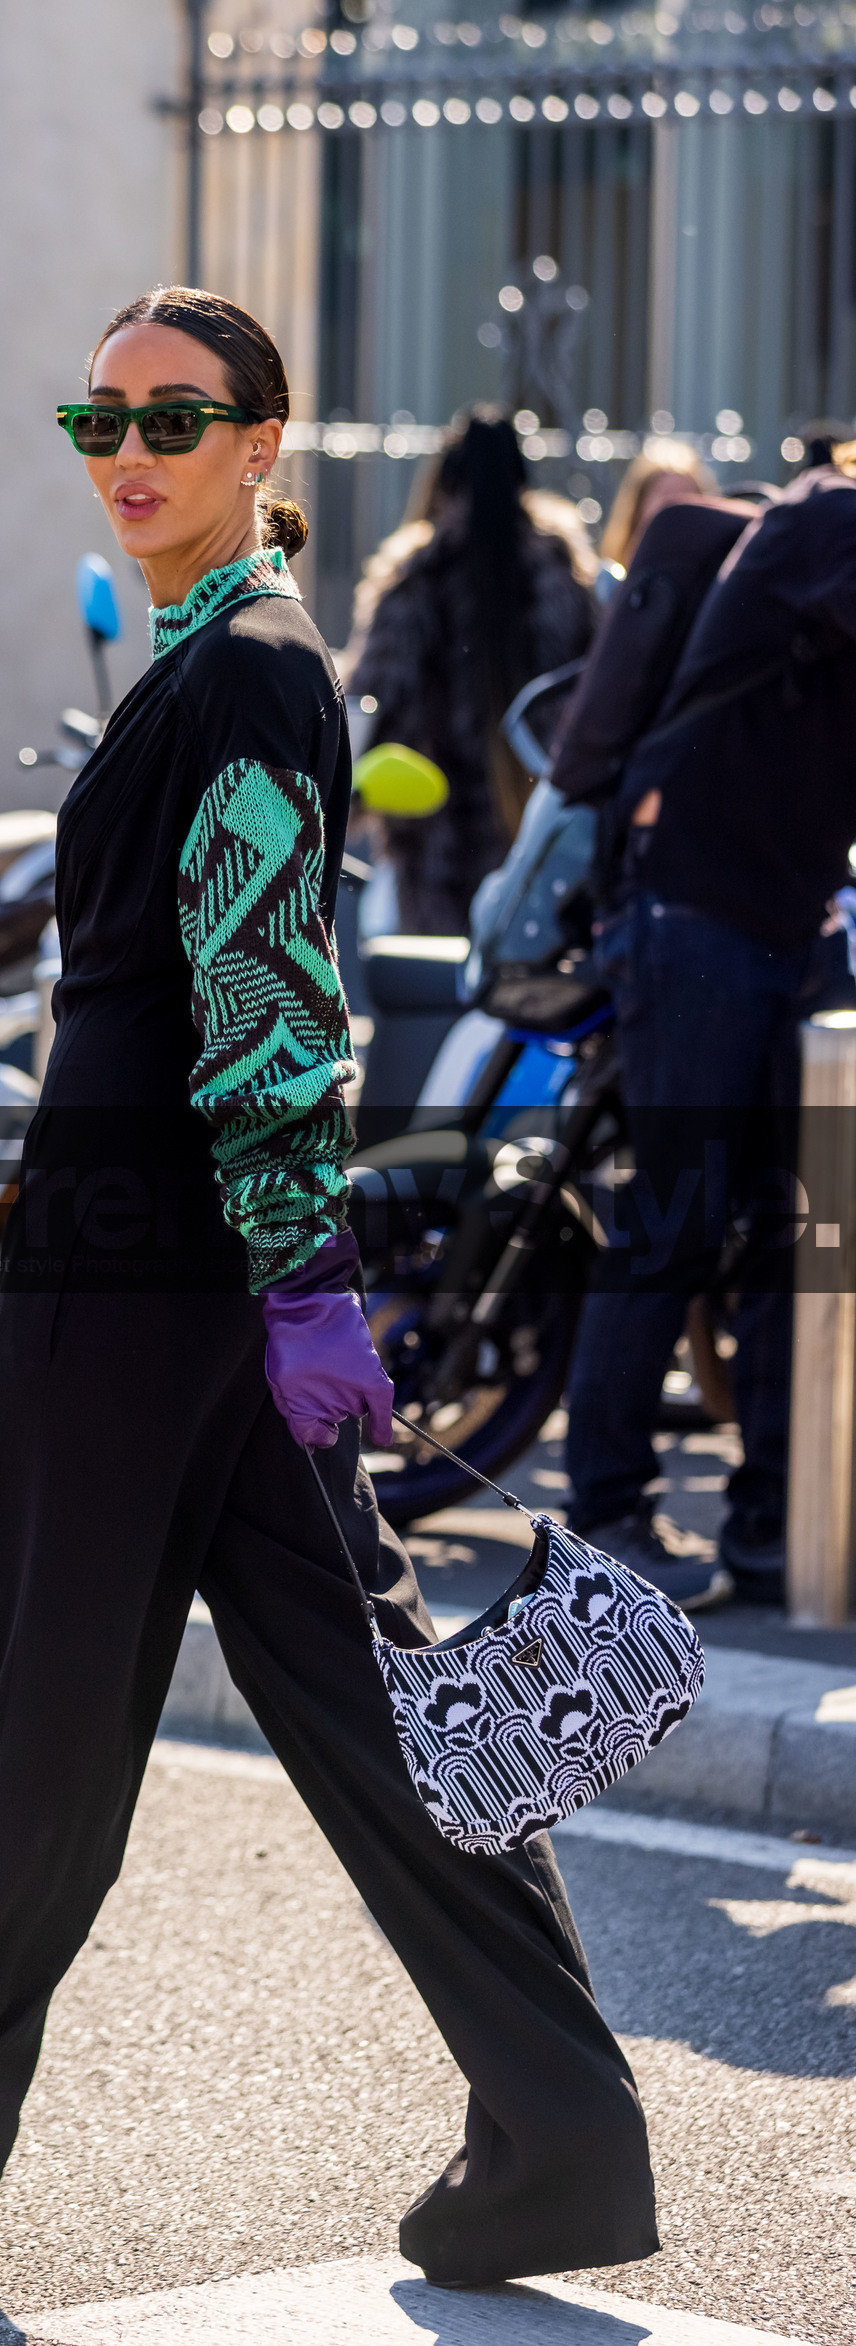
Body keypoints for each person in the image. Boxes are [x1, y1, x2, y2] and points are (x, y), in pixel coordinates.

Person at [0, 287, 658, 2290]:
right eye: (101, 415)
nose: (127, 447)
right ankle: (561, 2120)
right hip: (207, 1265)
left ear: (262, 446)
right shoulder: (226, 656)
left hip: (145, 1261)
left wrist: (298, 1262)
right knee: (374, 1698)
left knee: (39, 1693)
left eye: (177, 416)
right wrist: (286, 1270)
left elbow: (256, 980)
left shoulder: (238, 675)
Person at [563, 446, 856, 1605]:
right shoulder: (827, 521)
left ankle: (776, 1522)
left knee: (801, 1227)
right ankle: (606, 1516)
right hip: (691, 910)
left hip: (786, 918)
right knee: (675, 1219)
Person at [342, 410, 597, 936]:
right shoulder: (566, 576)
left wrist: (350, 801)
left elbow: (365, 707)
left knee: (439, 998)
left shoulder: (414, 575)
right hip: (542, 841)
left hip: (436, 846)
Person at [599, 439, 714, 573]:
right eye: (667, 496)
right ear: (637, 507)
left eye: (688, 497)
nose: (678, 510)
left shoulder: (716, 578)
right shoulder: (611, 579)